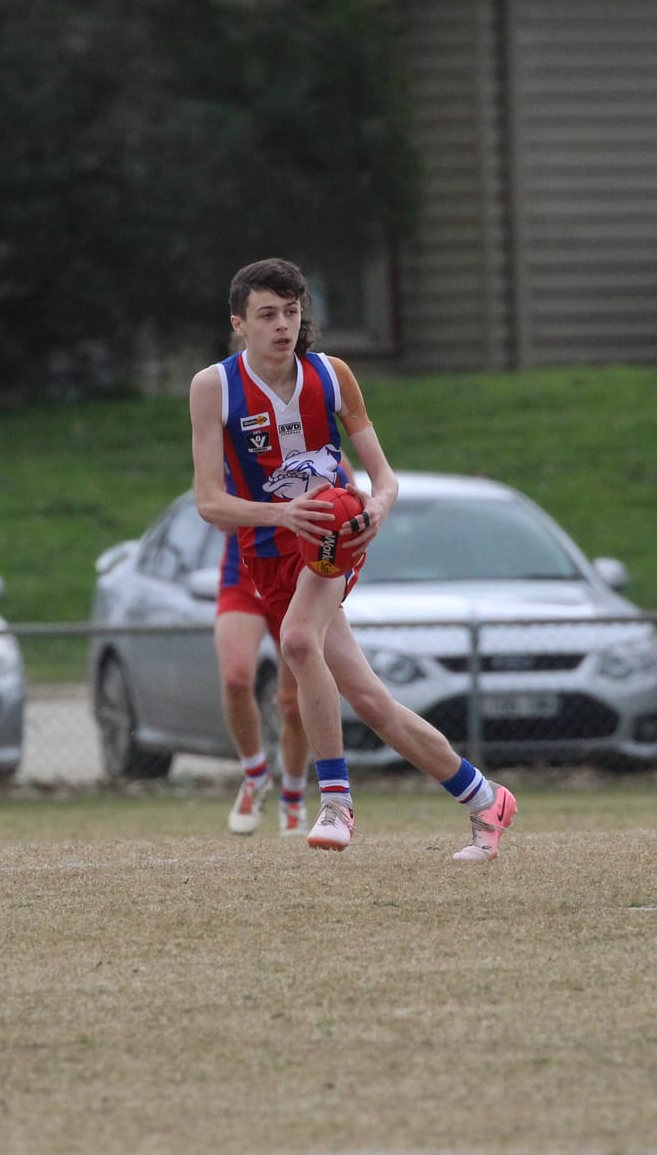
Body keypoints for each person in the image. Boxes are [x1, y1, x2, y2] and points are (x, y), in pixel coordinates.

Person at [188, 258, 517, 859]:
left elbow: (384, 478)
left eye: (291, 312)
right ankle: (484, 799)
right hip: (268, 551)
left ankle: (336, 802)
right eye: (267, 315)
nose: (282, 325)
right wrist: (281, 514)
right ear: (239, 323)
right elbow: (210, 502)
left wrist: (376, 511)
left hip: (332, 542)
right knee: (370, 701)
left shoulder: (332, 375)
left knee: (296, 642)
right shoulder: (214, 387)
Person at [215, 531, 311, 836]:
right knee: (235, 678)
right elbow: (215, 512)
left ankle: (293, 798)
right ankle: (255, 775)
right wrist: (278, 513)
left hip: (296, 580)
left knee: (294, 705)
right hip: (243, 579)